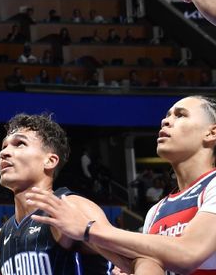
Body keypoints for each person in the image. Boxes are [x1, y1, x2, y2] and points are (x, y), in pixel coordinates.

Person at [26, 95, 216, 275]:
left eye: (181, 115)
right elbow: (151, 264)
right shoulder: (157, 211)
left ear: (211, 132)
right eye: (167, 116)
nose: (165, 121)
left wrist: (89, 229)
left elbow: (188, 253)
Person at [0, 113, 130, 274]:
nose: (4, 153)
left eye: (20, 143)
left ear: (50, 161)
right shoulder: (0, 237)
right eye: (4, 146)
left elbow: (137, 257)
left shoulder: (72, 206)